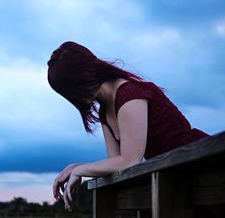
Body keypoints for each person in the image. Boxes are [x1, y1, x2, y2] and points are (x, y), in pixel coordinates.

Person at [47, 41, 210, 211]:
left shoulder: (128, 93)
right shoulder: (105, 110)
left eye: (72, 87)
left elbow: (130, 161)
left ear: (85, 72)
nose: (73, 96)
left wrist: (81, 171)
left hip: (197, 165)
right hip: (172, 175)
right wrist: (76, 167)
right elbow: (116, 162)